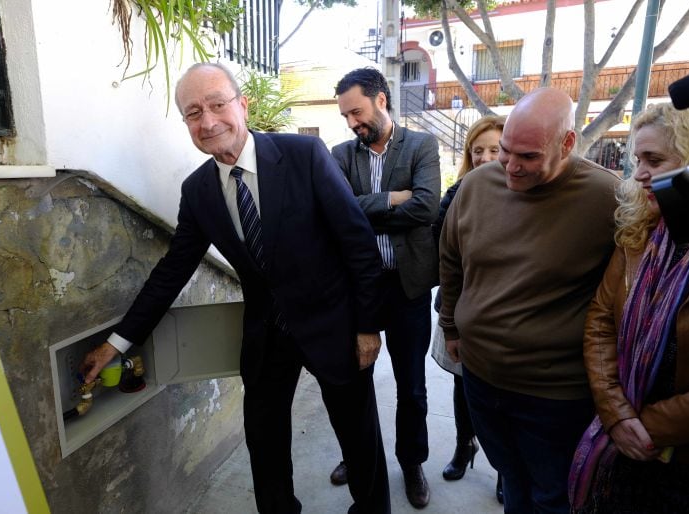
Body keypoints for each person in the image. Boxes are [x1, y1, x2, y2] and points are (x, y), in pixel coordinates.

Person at [79, 63, 391, 514]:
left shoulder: (304, 155)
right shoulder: (199, 191)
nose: (208, 122)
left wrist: (367, 327)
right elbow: (171, 272)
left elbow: (359, 245)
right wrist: (117, 343)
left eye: (218, 105)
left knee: (359, 438)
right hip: (267, 341)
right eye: (192, 113)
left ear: (242, 105)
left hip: (335, 328)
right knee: (264, 449)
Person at [439, 87, 620, 514]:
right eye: (505, 152)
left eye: (528, 157)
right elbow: (450, 258)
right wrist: (450, 325)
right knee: (512, 479)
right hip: (481, 379)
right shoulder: (477, 184)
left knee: (553, 496)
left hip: (553, 395)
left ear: (567, 144)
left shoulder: (606, 197)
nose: (511, 167)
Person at [569, 102, 689, 513]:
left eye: (654, 160)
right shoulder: (638, 234)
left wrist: (645, 428)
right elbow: (601, 322)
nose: (639, 173)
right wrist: (617, 415)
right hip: (624, 446)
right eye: (637, 159)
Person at [329, 67, 441, 509]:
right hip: (360, 289)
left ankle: (411, 462)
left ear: (381, 100)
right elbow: (337, 213)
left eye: (356, 111)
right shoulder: (341, 155)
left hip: (408, 287)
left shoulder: (421, 145)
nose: (352, 123)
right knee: (354, 382)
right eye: (346, 116)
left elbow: (427, 206)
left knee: (411, 385)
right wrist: (396, 197)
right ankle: (357, 457)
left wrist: (366, 209)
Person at [430, 115, 506, 504]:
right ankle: (465, 446)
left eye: (494, 149)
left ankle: (503, 467)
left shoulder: (522, 193)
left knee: (504, 394)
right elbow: (439, 245)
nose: (485, 157)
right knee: (464, 386)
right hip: (459, 310)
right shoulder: (457, 192)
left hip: (503, 318)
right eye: (477, 151)